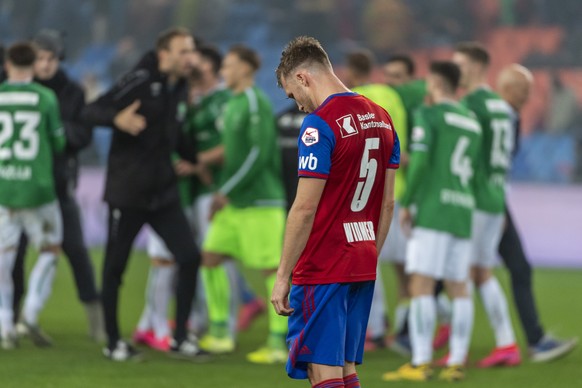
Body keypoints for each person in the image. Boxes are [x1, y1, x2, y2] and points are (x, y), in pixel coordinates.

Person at [272, 36, 400, 388]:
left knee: (321, 369)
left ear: (302, 78)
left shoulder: (319, 124)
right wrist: (370, 250)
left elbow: (305, 206)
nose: (297, 105)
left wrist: (283, 275)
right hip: (362, 258)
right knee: (345, 369)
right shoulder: (382, 118)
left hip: (323, 263)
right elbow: (387, 202)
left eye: (291, 94)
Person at [81, 27, 205, 361]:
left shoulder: (178, 86)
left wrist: (195, 160)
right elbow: (90, 111)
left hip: (163, 193)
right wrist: (116, 118)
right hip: (128, 194)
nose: (190, 57)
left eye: (191, 50)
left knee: (190, 257)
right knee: (115, 270)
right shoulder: (138, 79)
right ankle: (113, 343)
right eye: (184, 51)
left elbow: (174, 132)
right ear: (164, 54)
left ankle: (179, 338)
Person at [383, 61, 481, 382]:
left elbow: (422, 162)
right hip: (463, 208)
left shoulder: (429, 115)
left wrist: (408, 202)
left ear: (436, 84)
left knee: (421, 284)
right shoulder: (471, 120)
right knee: (458, 287)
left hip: (435, 208)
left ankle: (422, 361)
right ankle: (456, 361)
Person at [9, 29, 103, 345]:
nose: (45, 65)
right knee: (16, 256)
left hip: (59, 186)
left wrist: (54, 138)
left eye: (51, 59)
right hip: (23, 187)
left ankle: (95, 320)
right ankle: (15, 317)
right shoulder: (21, 90)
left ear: (59, 60)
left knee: (76, 251)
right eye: (40, 58)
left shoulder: (71, 92)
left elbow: (83, 134)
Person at [198, 44, 288, 364]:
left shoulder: (254, 102)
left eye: (229, 65)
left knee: (273, 270)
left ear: (246, 69)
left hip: (260, 201)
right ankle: (220, 332)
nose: (223, 70)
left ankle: (280, 343)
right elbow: (233, 150)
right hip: (235, 201)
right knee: (210, 257)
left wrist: (226, 190)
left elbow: (257, 154)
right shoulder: (234, 103)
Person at [496, 63, 579, 362]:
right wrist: (494, 204)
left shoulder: (509, 117)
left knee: (459, 272)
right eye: (524, 89)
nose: (529, 95)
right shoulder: (500, 117)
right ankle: (533, 341)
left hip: (490, 201)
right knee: (505, 269)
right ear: (508, 89)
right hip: (487, 204)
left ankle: (533, 340)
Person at [448, 42, 520, 369]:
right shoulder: (499, 104)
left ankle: (457, 355)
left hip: (474, 198)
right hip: (494, 197)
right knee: (481, 273)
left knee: (461, 276)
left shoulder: (472, 105)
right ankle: (506, 344)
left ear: (477, 66)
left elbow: (466, 158)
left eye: (459, 65)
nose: (455, 71)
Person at [0, 42, 65, 350]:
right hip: (38, 190)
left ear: (7, 64)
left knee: (3, 260)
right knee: (50, 249)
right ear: (33, 66)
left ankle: (4, 325)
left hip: (3, 188)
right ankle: (31, 310)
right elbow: (59, 142)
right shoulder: (45, 97)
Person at [343, 49, 408, 351]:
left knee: (371, 261)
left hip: (370, 195)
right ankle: (406, 327)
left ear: (351, 73)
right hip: (401, 190)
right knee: (407, 267)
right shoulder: (392, 95)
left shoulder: (354, 101)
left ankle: (377, 328)